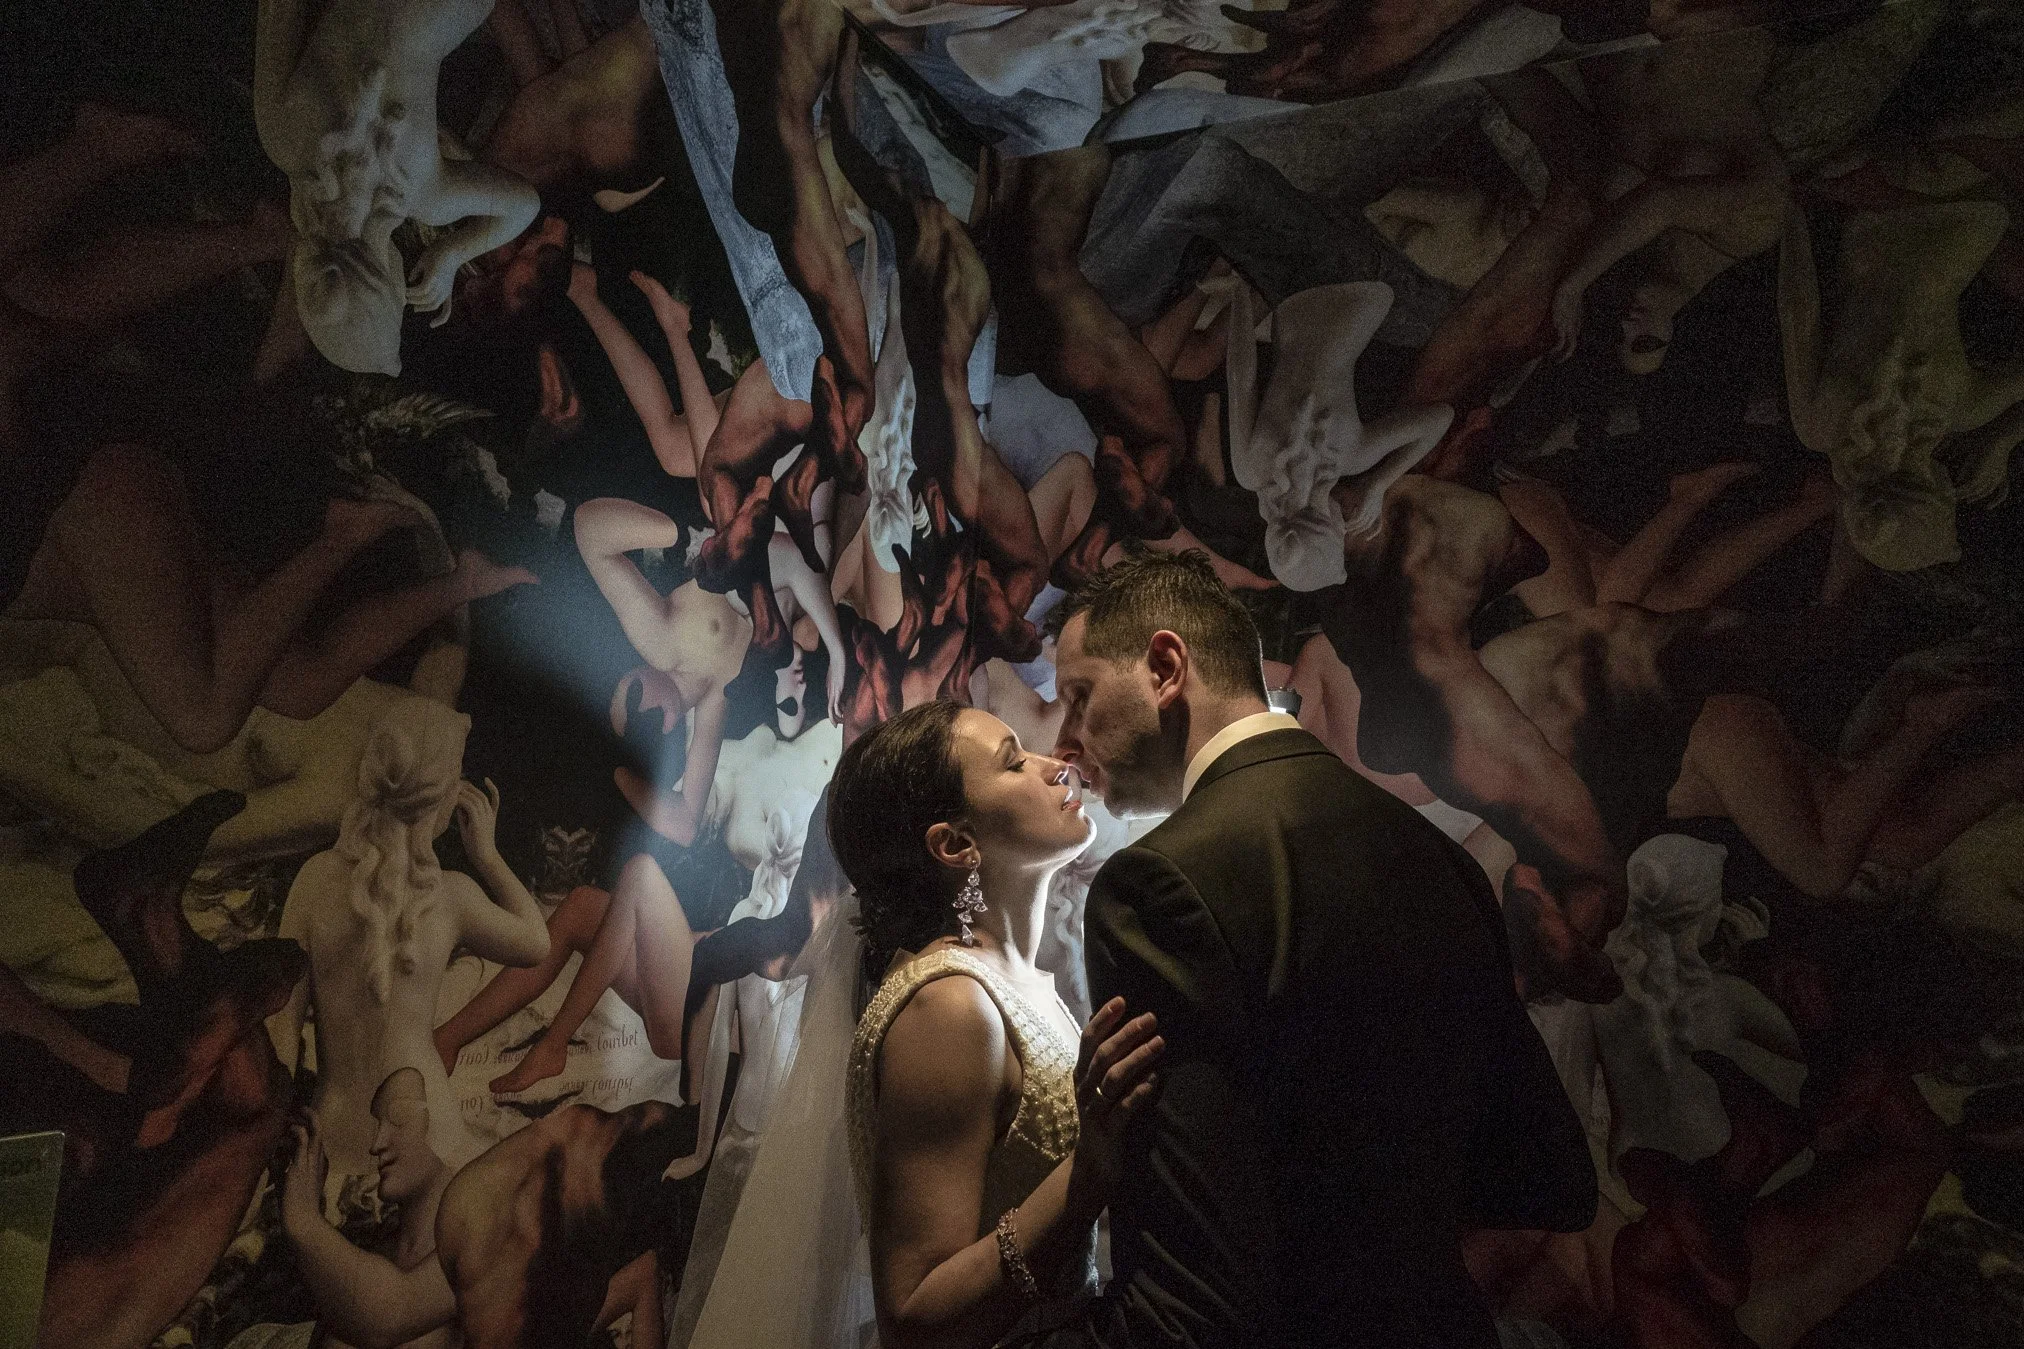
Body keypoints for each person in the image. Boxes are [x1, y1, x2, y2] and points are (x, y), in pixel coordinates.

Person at [1044, 549, 1596, 1348]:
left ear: (1166, 666)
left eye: (1079, 695)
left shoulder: (1160, 884)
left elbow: (1194, 1304)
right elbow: (1548, 1175)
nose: (1064, 737)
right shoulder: (1436, 855)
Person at [682, 701, 1165, 1347]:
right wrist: (1089, 1173)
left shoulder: (1008, 983)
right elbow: (914, 1316)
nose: (1058, 767)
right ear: (956, 842)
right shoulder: (948, 1007)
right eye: (1015, 760)